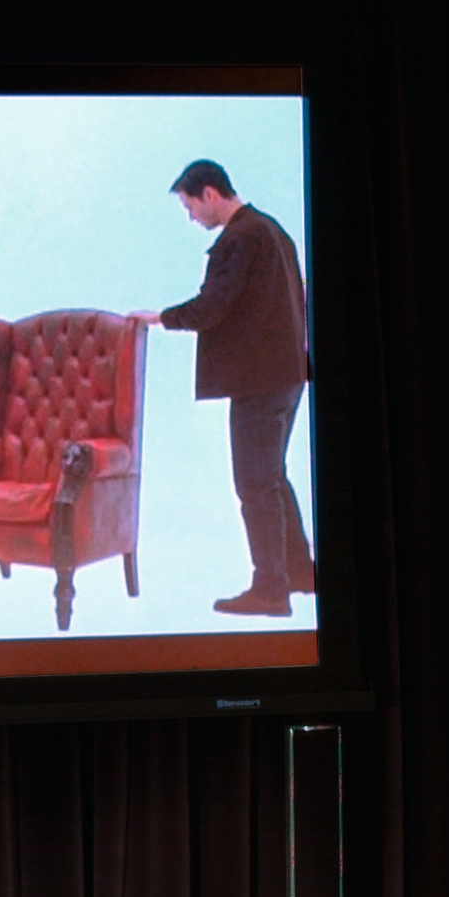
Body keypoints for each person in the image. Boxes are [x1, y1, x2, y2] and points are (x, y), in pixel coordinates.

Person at [136, 159, 314, 617]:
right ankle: (302, 573)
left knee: (254, 484)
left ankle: (271, 590)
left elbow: (212, 307)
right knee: (271, 476)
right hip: (288, 375)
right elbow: (302, 297)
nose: (191, 216)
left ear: (210, 193)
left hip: (261, 382)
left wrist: (160, 318)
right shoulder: (273, 231)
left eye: (190, 205)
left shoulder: (240, 238)